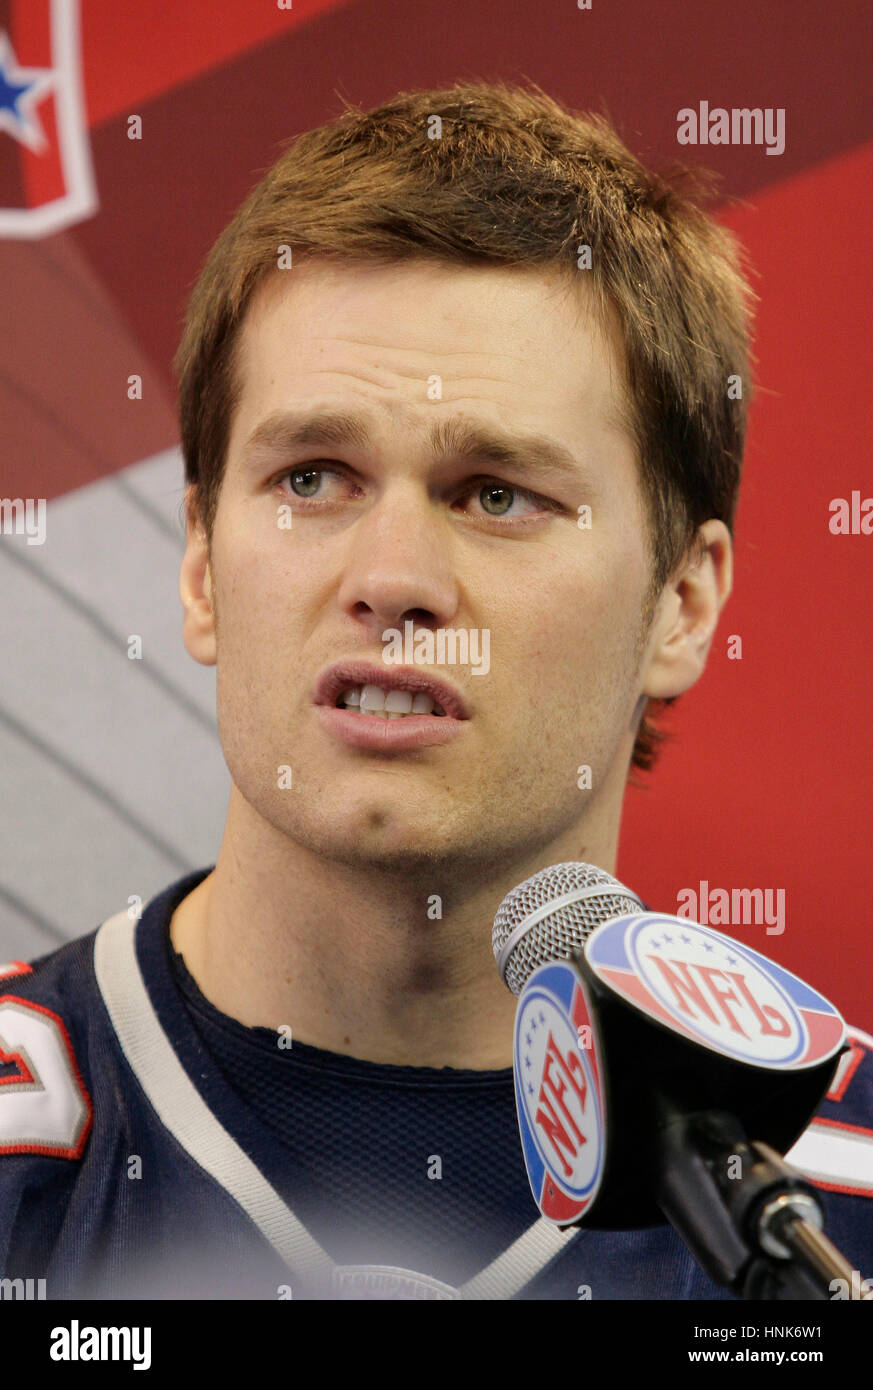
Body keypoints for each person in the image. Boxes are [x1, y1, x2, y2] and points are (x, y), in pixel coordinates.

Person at [1, 81, 870, 1301]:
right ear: (200, 566)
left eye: (496, 493)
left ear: (683, 601)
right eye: (314, 477)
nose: (395, 581)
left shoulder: (845, 1198)